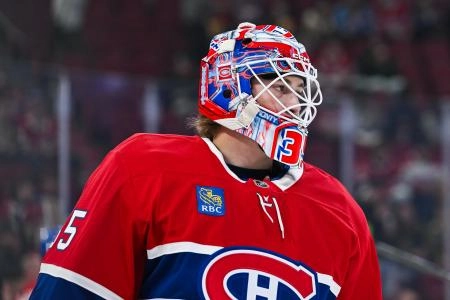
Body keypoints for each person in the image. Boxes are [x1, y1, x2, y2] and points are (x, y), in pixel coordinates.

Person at [30, 22, 382, 299]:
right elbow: (71, 290)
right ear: (229, 88)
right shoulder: (142, 168)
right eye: (278, 86)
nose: (295, 105)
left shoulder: (342, 213)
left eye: (298, 90)